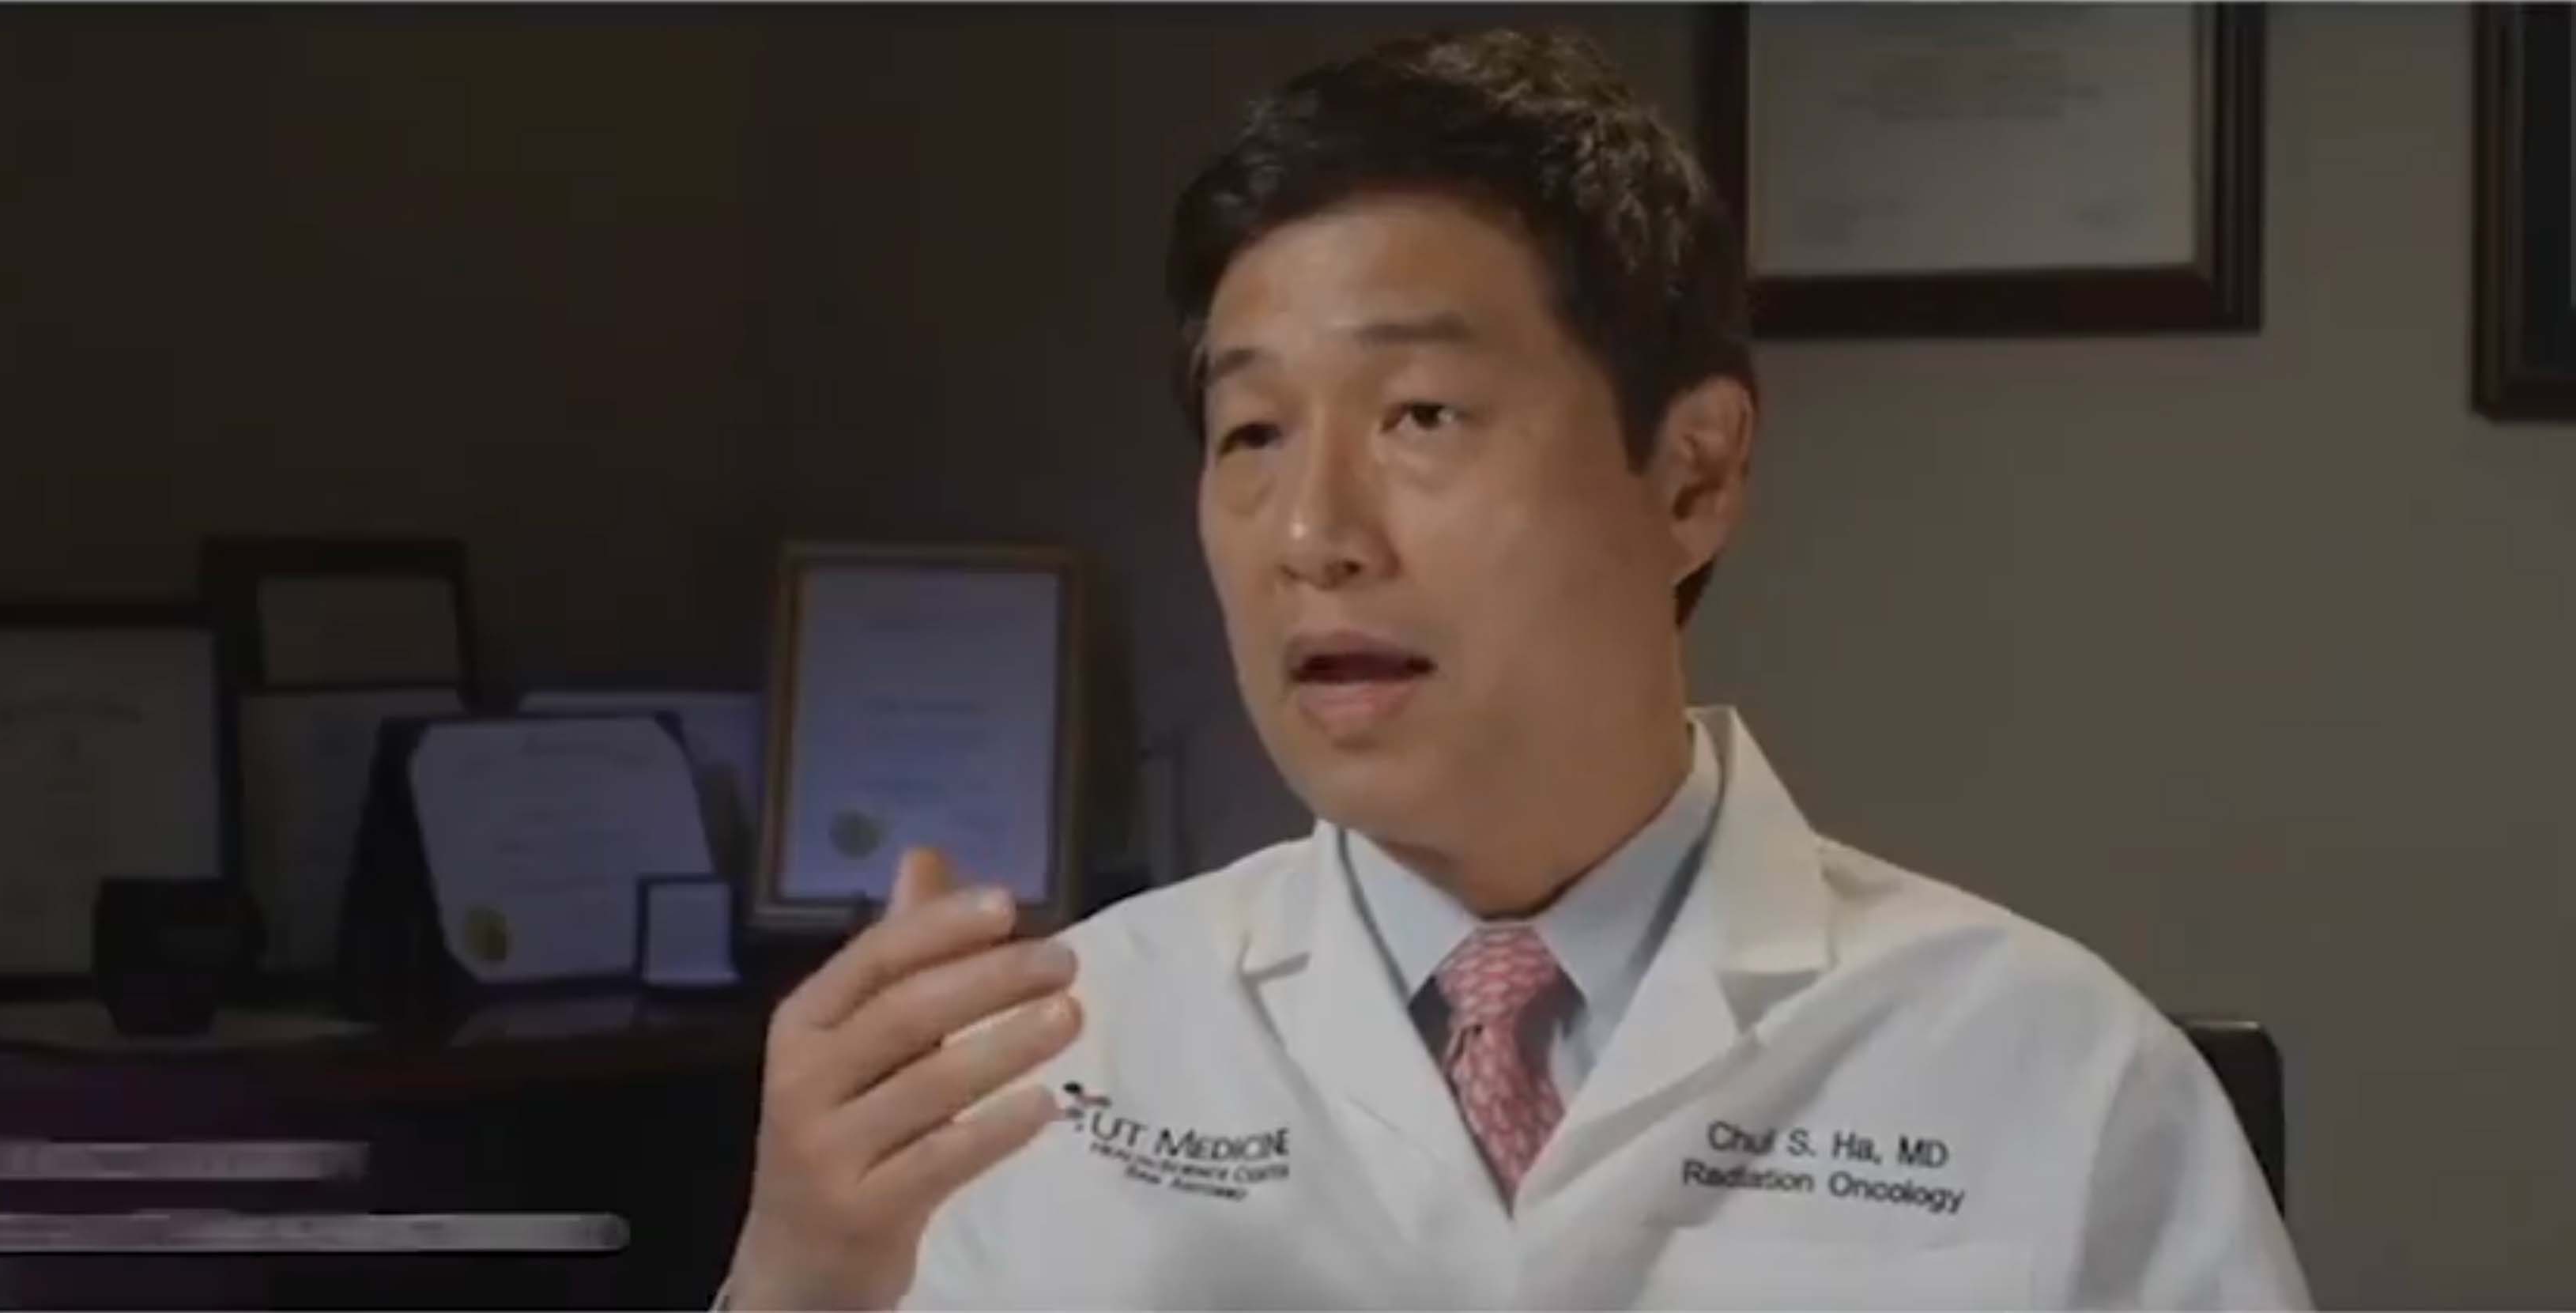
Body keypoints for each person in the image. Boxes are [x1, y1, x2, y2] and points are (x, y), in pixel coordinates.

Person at [722, 28, 2309, 1311]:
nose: (1314, 534)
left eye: (1420, 415)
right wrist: (795, 1281)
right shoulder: (1051, 1063)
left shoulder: (2055, 1077)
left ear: (1693, 475)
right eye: (1251, 431)